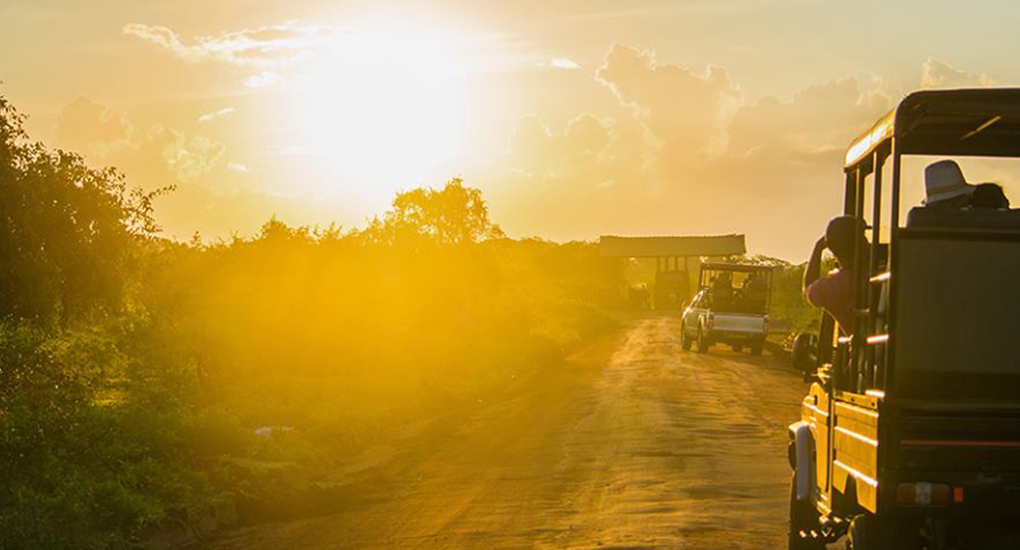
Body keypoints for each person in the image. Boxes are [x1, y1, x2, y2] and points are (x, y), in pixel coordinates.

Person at [803, 216, 867, 334]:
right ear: (862, 242)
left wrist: (818, 248)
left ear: (831, 248)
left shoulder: (831, 288)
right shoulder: (880, 272)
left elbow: (808, 287)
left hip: (866, 350)